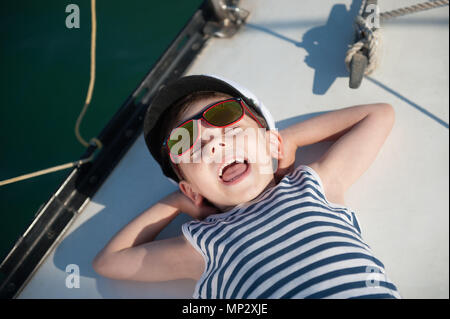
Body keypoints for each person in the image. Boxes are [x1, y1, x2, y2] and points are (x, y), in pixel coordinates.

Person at [92, 74, 401, 299]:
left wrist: (288, 141)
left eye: (228, 124)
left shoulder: (312, 185)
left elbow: (378, 115)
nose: (214, 143)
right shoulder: (202, 243)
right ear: (191, 189)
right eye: (190, 145)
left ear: (270, 142)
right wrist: (176, 203)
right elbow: (109, 261)